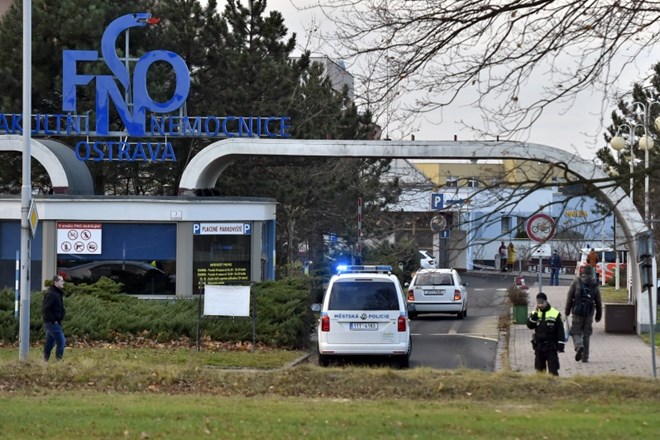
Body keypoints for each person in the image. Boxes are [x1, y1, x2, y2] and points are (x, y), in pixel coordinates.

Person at [565, 266, 602, 363]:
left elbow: (569, 298)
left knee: (575, 331)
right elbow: (598, 302)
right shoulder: (594, 285)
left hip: (577, 311)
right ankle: (585, 357)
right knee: (587, 334)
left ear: (582, 273)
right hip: (589, 313)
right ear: (592, 274)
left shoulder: (576, 282)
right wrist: (598, 315)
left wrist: (567, 311)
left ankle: (578, 346)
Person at [527, 292, 566, 375]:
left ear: (546, 302)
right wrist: (535, 313)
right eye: (538, 303)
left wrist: (561, 346)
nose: (540, 305)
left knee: (553, 369)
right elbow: (530, 325)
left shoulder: (555, 313)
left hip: (551, 346)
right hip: (539, 346)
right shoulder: (536, 313)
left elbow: (560, 330)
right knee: (540, 370)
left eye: (542, 303)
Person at [42, 275, 66, 362]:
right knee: (61, 341)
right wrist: (53, 320)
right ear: (55, 282)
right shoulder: (52, 294)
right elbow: (46, 309)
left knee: (49, 342)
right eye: (61, 281)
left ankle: (45, 360)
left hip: (53, 322)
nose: (63, 283)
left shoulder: (57, 293)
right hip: (51, 322)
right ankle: (58, 361)